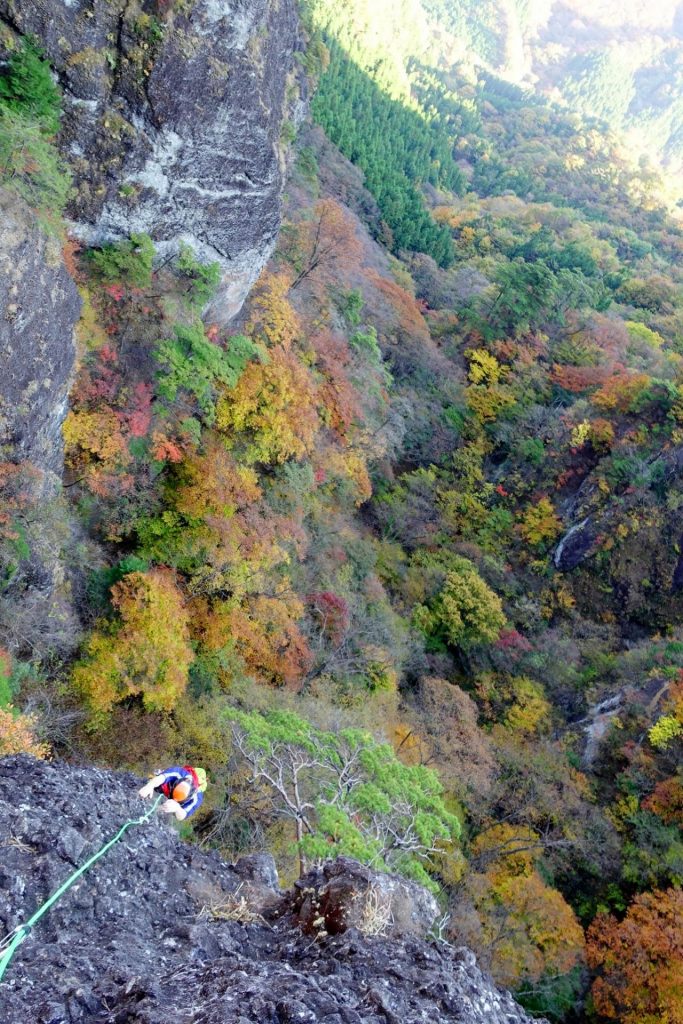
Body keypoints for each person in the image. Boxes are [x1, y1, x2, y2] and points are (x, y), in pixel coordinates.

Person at [138, 765, 207, 820]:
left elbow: (183, 815)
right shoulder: (179, 772)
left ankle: (160, 810)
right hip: (162, 788)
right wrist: (150, 786)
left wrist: (177, 808)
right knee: (149, 786)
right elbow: (162, 777)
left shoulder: (197, 798)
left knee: (163, 811)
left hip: (175, 804)